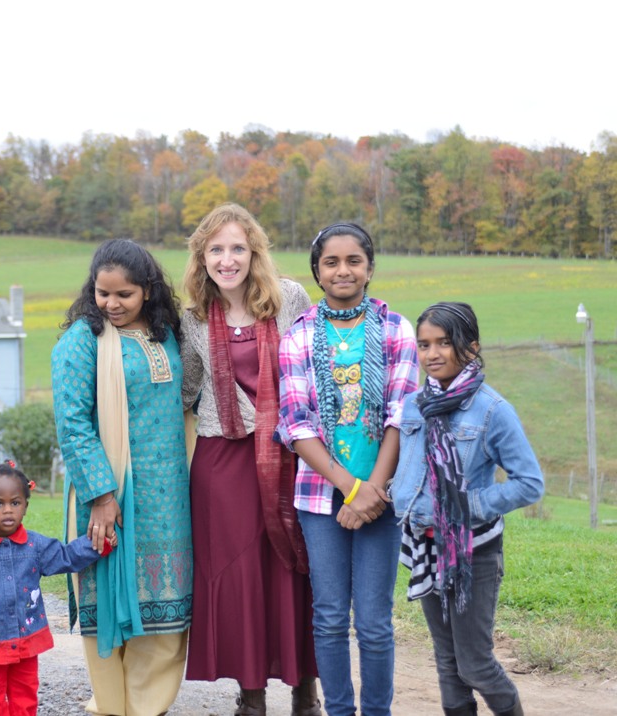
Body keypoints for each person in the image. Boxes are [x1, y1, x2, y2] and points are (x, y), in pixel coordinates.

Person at [179, 203, 320, 716]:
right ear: (202, 258)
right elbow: (187, 389)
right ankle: (252, 695)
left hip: (289, 452)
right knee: (237, 578)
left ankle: (306, 691)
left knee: (294, 567)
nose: (227, 259)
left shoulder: (291, 300)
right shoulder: (192, 318)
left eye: (237, 247)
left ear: (254, 251)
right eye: (216, 249)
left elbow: (316, 368)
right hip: (221, 462)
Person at [275, 222, 419, 716]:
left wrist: (372, 489)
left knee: (376, 620)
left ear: (370, 268)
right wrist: (350, 488)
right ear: (317, 271)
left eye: (353, 260)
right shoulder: (297, 338)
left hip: (383, 494)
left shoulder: (398, 330)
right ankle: (337, 710)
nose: (343, 270)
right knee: (331, 616)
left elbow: (404, 412)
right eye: (331, 262)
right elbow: (295, 424)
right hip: (321, 496)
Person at [51, 238, 192, 716]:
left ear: (148, 291)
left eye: (123, 295)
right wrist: (102, 496)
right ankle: (112, 705)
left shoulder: (168, 334)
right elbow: (72, 423)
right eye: (102, 292)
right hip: (107, 494)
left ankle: (150, 707)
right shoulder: (80, 341)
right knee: (106, 601)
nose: (110, 304)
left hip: (169, 496)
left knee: (168, 608)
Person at [391, 303, 543, 716]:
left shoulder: (493, 410)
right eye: (424, 344)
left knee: (474, 664)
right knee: (447, 662)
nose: (433, 353)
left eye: (445, 342)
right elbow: (407, 468)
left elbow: (530, 482)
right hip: (427, 549)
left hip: (473, 552)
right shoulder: (413, 405)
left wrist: (466, 506)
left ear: (471, 348)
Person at [0, 462, 113, 715]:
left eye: (15, 503)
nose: (7, 511)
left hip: (25, 640)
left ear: (26, 505)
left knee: (25, 697)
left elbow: (66, 556)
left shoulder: (35, 545)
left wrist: (96, 544)